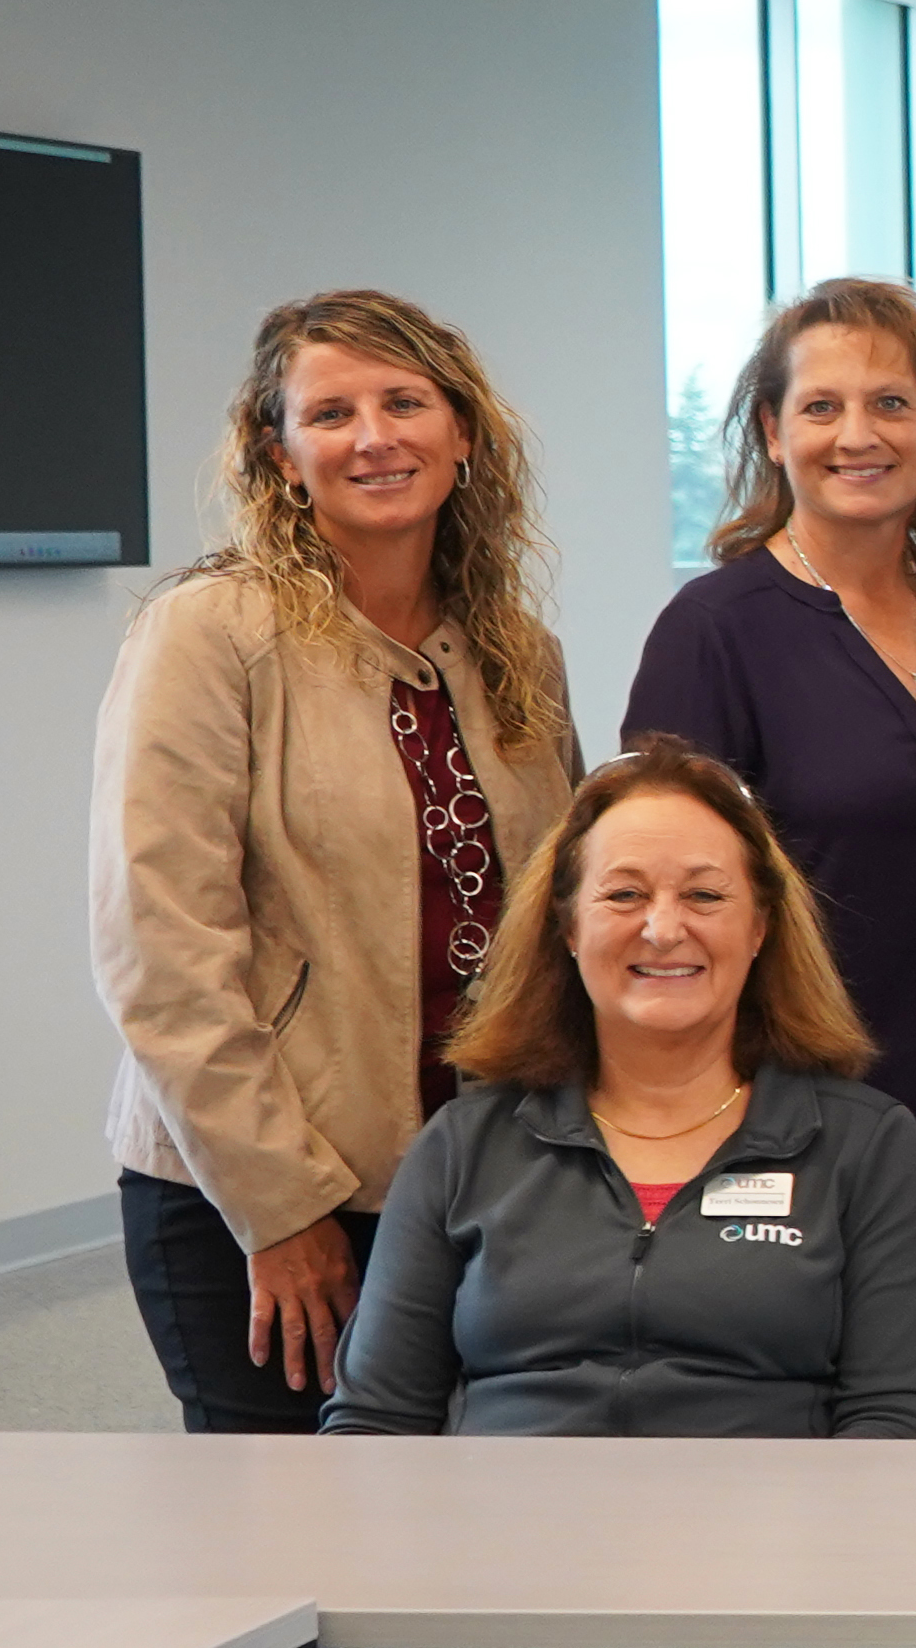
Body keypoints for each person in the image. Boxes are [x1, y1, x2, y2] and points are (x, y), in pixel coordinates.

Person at [92, 290, 583, 1434]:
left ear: (462, 432)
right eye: (332, 412)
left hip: (482, 1178)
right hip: (257, 1189)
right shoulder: (211, 635)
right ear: (282, 452)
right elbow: (161, 952)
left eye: (405, 402)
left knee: (471, 1531)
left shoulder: (515, 653)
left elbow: (556, 917)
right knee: (292, 1538)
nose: (375, 437)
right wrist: (281, 1208)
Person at [626, 278, 916, 1437]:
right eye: (821, 407)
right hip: (796, 1129)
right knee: (808, 1463)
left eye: (893, 403)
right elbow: (662, 904)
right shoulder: (716, 631)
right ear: (771, 432)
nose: (859, 435)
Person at [326, 739, 916, 1437]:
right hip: (508, 1538)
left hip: (770, 1540)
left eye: (704, 895)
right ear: (567, 925)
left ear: (760, 926)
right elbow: (375, 1422)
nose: (662, 927)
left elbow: (897, 1421)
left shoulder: (864, 1146)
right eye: (624, 894)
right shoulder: (462, 1145)